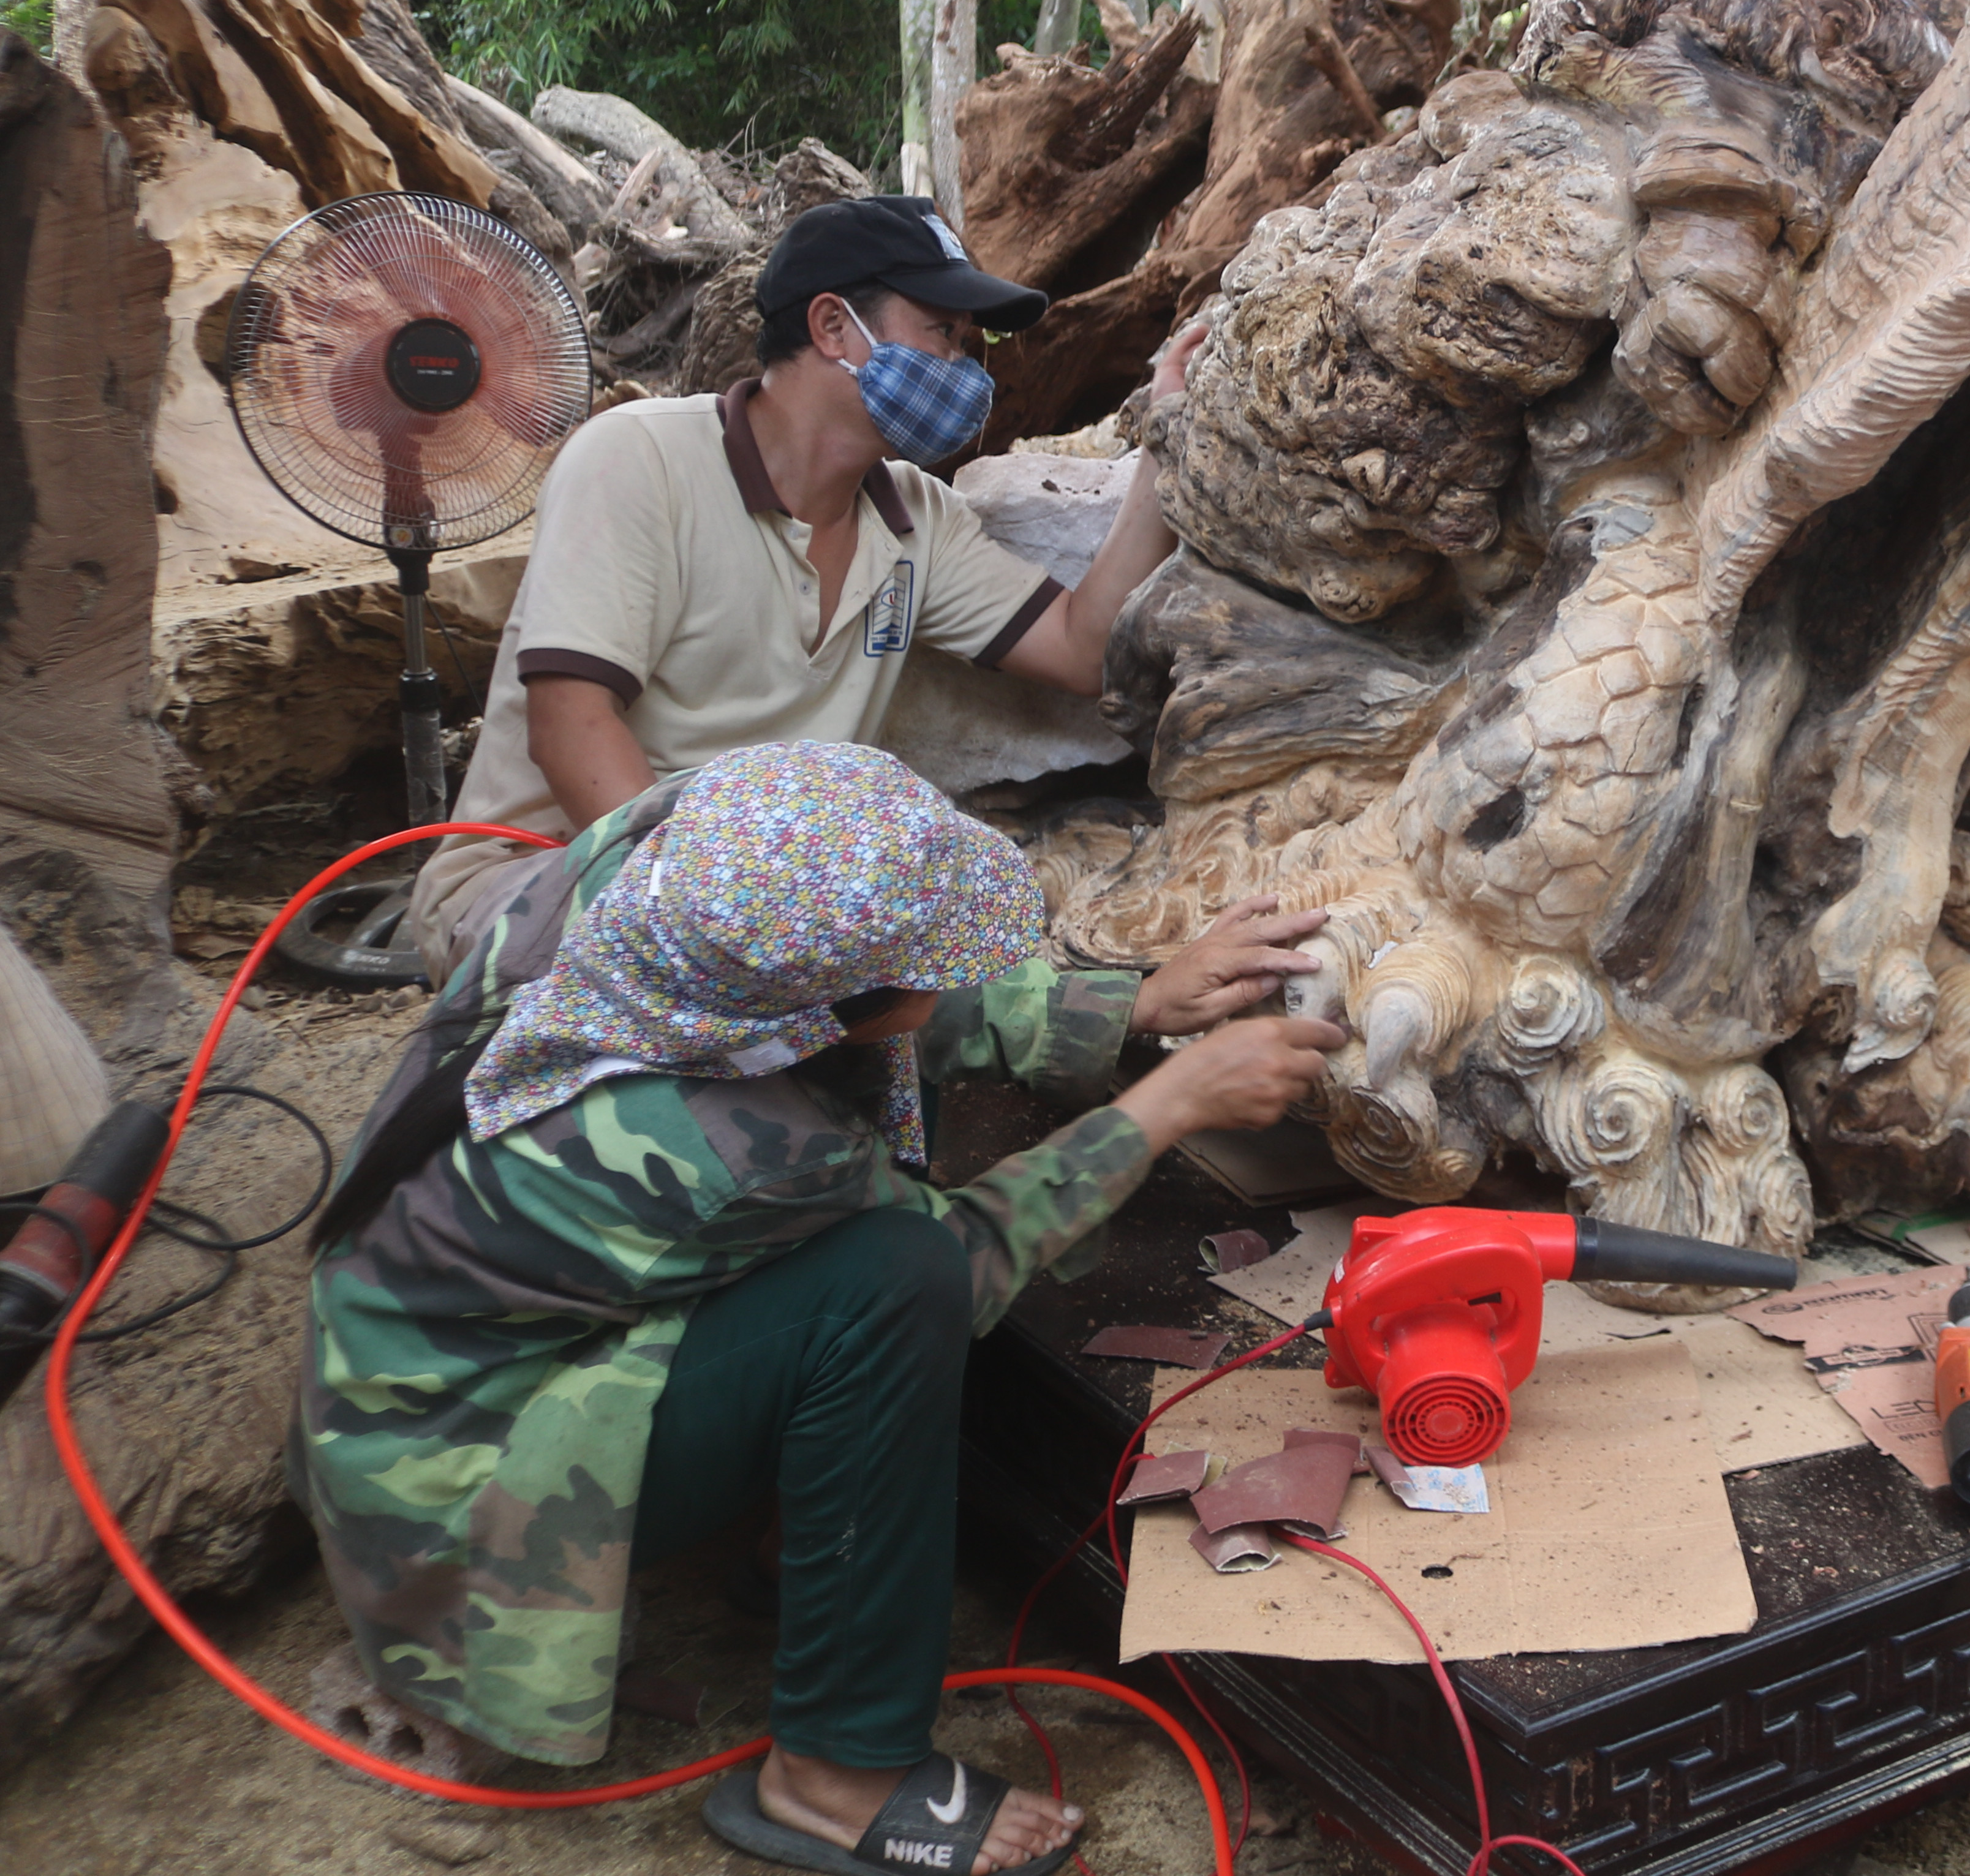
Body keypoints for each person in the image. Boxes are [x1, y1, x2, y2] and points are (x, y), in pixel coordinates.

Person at [300, 741, 1346, 1876]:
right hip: (453, 1487)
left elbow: (860, 1007)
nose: (944, 979)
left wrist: (1133, 1002)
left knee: (882, 1123)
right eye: (927, 969)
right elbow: (966, 1258)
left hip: (434, 1346)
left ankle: (798, 1535)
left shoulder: (673, 872)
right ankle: (835, 1772)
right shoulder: (725, 1149)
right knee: (894, 1282)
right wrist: (1169, 1102)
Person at [407, 194, 1196, 983]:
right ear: (831, 327)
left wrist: (1165, 436)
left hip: (767, 910)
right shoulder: (637, 459)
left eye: (968, 344)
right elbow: (569, 726)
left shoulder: (916, 519)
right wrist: (718, 913)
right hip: (547, 879)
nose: (965, 370)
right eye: (942, 334)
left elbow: (1083, 647)